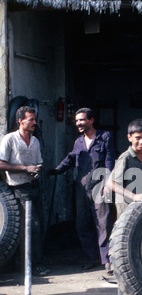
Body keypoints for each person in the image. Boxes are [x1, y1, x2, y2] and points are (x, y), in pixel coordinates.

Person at [49, 108, 115, 273]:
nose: (78, 123)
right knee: (83, 223)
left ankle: (106, 260)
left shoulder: (105, 137)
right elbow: (70, 158)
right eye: (77, 121)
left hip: (100, 186)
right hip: (82, 188)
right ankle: (92, 257)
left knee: (103, 223)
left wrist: (108, 184)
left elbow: (109, 163)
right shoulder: (78, 142)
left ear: (91, 120)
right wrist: (57, 170)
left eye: (82, 120)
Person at [105, 118, 142, 295]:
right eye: (138, 138)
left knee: (134, 250)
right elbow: (110, 183)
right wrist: (134, 196)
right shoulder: (125, 158)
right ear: (129, 137)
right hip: (125, 206)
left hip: (137, 206)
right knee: (125, 251)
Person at [0, 106, 48, 276]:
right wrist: (25, 168)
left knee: (39, 224)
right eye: (31, 119)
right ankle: (32, 266)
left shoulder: (34, 141)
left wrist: (36, 169)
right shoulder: (9, 139)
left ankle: (31, 263)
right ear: (20, 121)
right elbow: (1, 164)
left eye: (35, 119)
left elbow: (38, 162)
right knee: (30, 226)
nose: (35, 122)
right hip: (18, 188)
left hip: (33, 186)